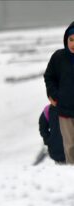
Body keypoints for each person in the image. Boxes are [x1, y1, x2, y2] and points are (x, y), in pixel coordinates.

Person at [43, 21, 74, 164]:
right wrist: (53, 94)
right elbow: (49, 76)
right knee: (70, 148)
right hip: (65, 112)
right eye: (71, 39)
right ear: (66, 40)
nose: (73, 43)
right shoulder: (58, 57)